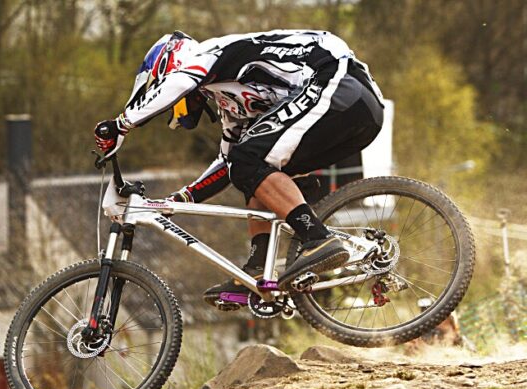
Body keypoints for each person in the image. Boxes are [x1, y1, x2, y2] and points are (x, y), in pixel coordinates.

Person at [94, 30, 384, 306]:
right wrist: (181, 199)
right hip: (353, 111)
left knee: (248, 160)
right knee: (250, 168)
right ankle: (257, 270)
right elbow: (227, 162)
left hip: (339, 83)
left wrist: (120, 125)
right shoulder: (232, 101)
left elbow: (180, 83)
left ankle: (318, 238)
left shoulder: (209, 53)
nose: (180, 110)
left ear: (172, 65)